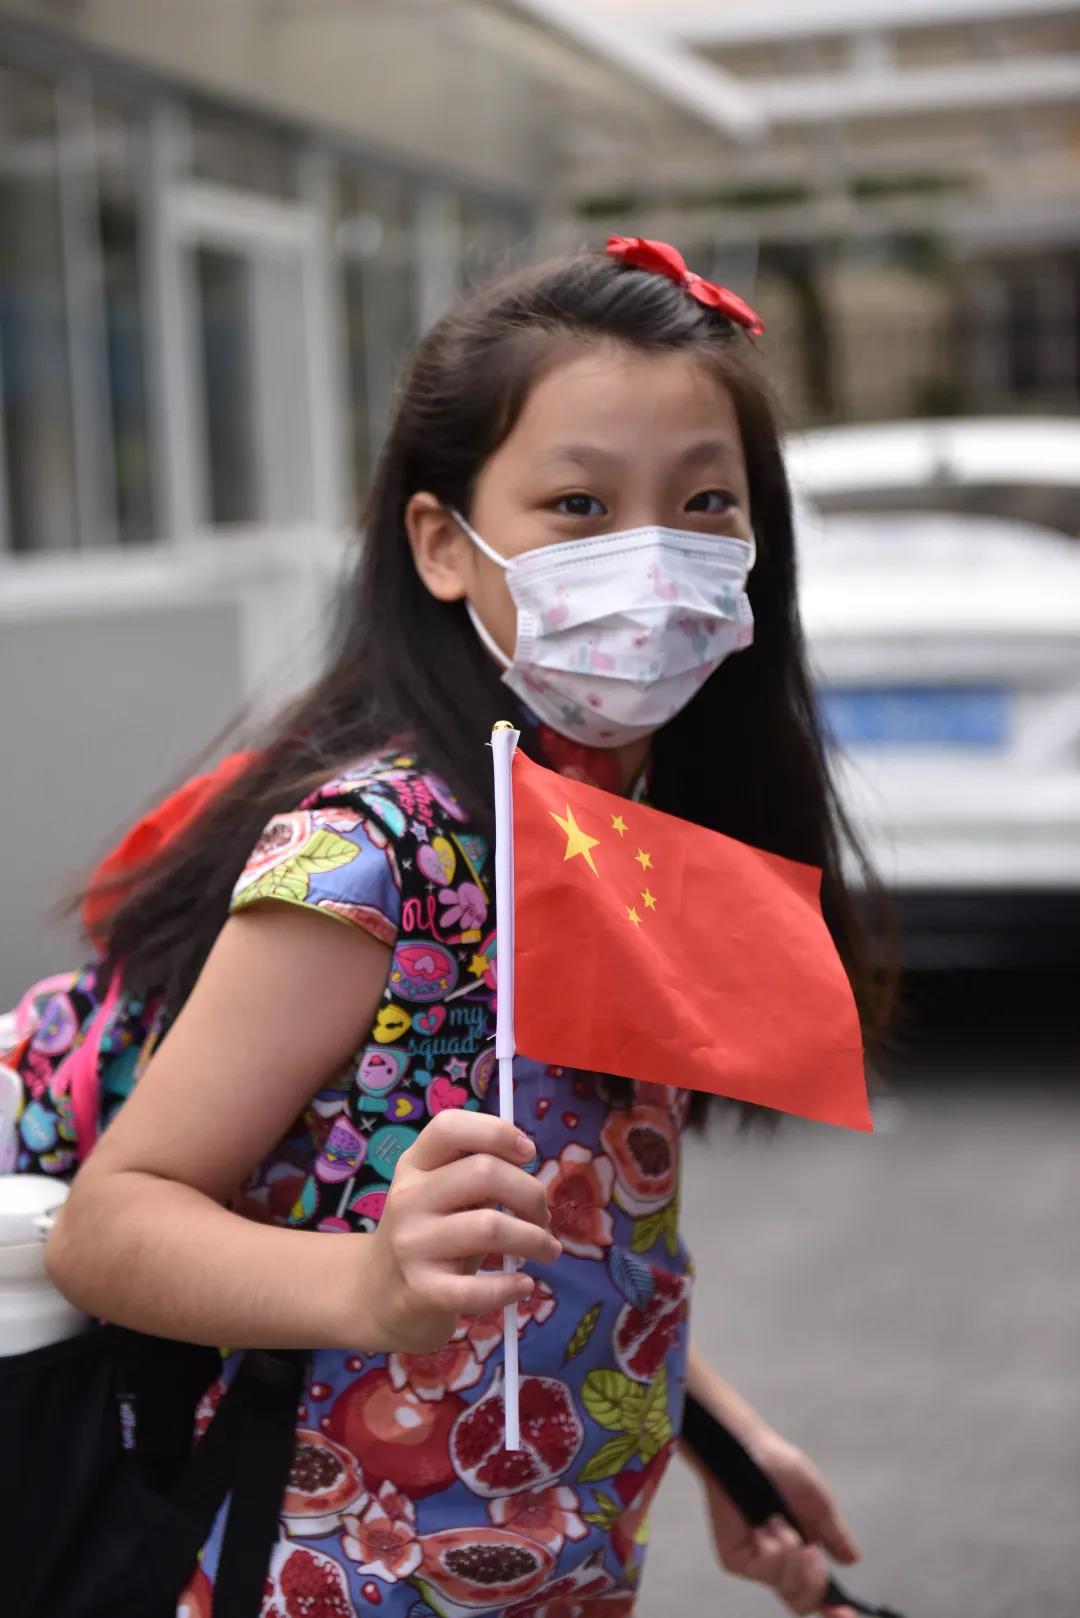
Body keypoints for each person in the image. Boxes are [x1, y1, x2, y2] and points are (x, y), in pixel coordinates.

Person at [37, 238, 886, 1618]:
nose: (649, 556)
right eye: (578, 503)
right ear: (442, 543)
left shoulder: (630, 829)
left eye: (704, 502)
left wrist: (722, 1439)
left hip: (566, 1566)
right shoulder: (377, 855)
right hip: (319, 1576)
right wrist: (371, 1283)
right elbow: (110, 1225)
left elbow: (573, 1235)